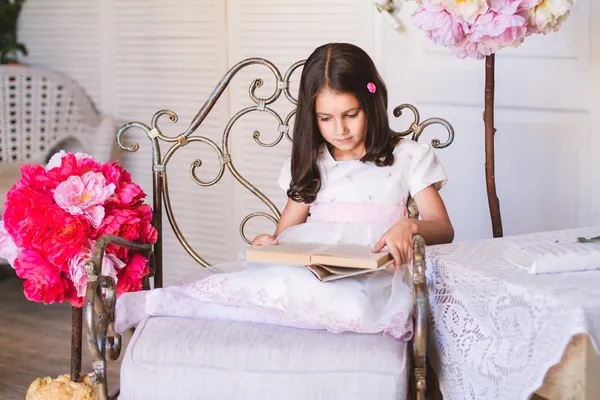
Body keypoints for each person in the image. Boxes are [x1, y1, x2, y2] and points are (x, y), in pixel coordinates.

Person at [251, 42, 454, 267]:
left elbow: (443, 229)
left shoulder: (409, 157)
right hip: (314, 275)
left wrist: (411, 227)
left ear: (371, 103)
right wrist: (268, 244)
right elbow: (284, 239)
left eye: (351, 114)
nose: (340, 130)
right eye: (325, 118)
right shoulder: (312, 162)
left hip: (379, 274)